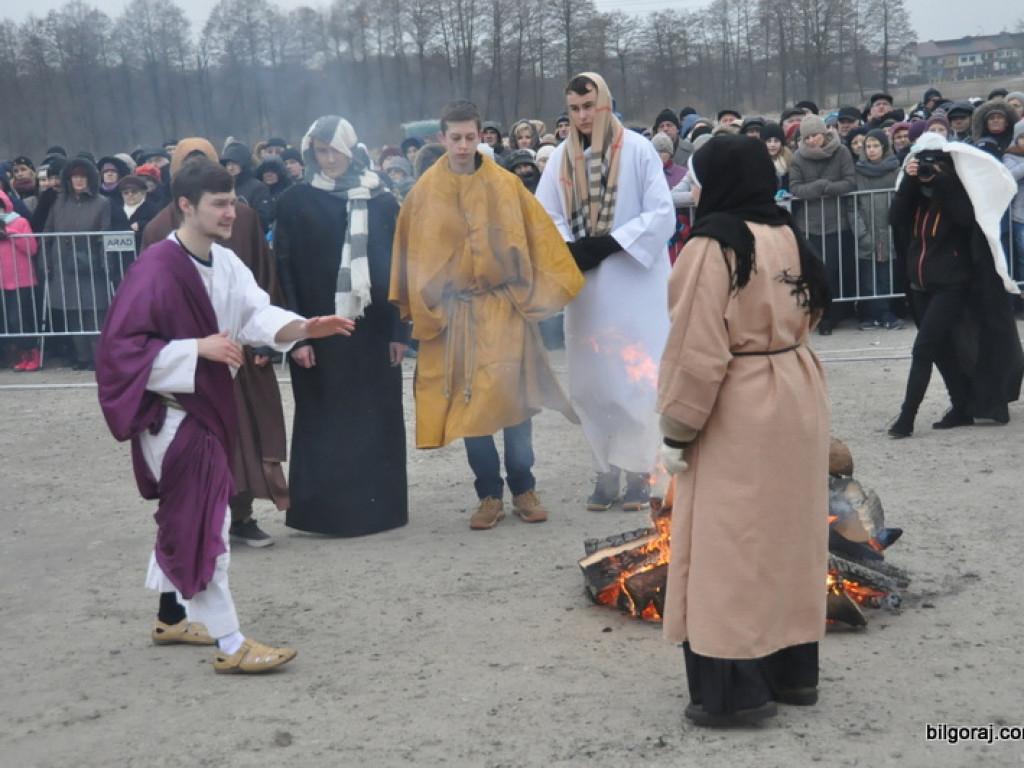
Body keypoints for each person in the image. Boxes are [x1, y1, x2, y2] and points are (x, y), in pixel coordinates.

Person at [95, 157, 356, 673]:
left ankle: (171, 616)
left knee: (185, 517)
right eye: (219, 203)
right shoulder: (155, 268)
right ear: (185, 206)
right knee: (208, 524)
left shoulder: (227, 260)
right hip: (173, 416)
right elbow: (118, 353)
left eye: (233, 200)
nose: (232, 211)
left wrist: (304, 327)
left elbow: (257, 315)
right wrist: (196, 349)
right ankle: (231, 643)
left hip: (208, 411)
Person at [656, 134, 830, 728]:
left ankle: (738, 691)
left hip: (743, 401)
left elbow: (696, 347)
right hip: (796, 388)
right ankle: (792, 672)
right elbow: (815, 306)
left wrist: (677, 430)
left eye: (701, 178)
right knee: (787, 537)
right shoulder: (784, 232)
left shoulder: (713, 244)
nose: (696, 189)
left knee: (729, 547)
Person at [390, 99, 583, 530]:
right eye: (455, 138)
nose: (462, 145)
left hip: (504, 308)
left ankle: (524, 486)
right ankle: (488, 494)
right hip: (458, 316)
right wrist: (421, 308)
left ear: (482, 136)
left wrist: (535, 295)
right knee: (471, 407)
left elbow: (540, 240)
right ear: (442, 138)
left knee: (516, 403)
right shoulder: (423, 192)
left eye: (470, 137)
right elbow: (409, 251)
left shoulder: (505, 185)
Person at [536, 72, 675, 511]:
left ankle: (638, 472)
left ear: (606, 104)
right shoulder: (560, 158)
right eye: (574, 108)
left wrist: (612, 243)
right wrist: (571, 249)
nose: (582, 116)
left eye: (589, 107)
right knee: (592, 382)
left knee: (635, 381)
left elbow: (660, 213)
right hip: (588, 289)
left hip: (634, 285)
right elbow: (546, 214)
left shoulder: (637, 150)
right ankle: (604, 470)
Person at [142, 137, 291, 549]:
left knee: (245, 435)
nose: (225, 212)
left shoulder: (241, 219)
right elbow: (146, 315)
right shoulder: (158, 232)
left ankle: (241, 515)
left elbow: (262, 278)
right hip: (190, 364)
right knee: (196, 439)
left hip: (239, 351)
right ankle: (200, 521)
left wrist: (268, 340)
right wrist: (187, 351)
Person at [274, 115, 410, 537]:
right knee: (324, 420)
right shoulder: (293, 202)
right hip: (316, 332)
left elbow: (398, 272)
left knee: (374, 420)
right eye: (320, 151)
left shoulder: (381, 201)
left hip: (370, 335)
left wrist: (399, 333)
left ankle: (378, 511)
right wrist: (295, 336)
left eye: (334, 150)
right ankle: (325, 514)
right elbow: (284, 272)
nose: (328, 159)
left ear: (351, 149)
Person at [887, 133, 1024, 437]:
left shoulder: (957, 191)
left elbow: (966, 221)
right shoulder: (914, 194)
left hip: (952, 283)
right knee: (940, 350)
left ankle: (906, 418)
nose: (927, 168)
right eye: (922, 162)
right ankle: (960, 405)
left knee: (923, 348)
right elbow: (895, 218)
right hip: (920, 282)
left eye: (935, 162)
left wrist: (944, 183)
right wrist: (910, 184)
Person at [43, 157, 113, 370]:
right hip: (64, 265)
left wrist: (106, 266)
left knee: (95, 312)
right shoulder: (59, 203)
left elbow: (106, 236)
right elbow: (47, 234)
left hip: (92, 266)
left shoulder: (102, 203)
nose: (79, 180)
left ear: (90, 179)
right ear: (69, 180)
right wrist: (46, 264)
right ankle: (82, 356)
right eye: (75, 177)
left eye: (83, 176)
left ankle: (98, 355)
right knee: (72, 311)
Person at [789, 113, 856, 335]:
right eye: (806, 138)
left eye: (814, 136)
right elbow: (796, 188)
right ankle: (818, 314)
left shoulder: (842, 151)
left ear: (824, 134)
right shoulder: (798, 157)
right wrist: (817, 188)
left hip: (837, 223)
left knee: (835, 271)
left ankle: (835, 313)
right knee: (814, 273)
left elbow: (850, 182)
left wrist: (827, 187)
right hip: (810, 225)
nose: (810, 141)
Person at [852, 130, 902, 330]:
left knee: (886, 276)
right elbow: (852, 207)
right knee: (868, 278)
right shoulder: (858, 172)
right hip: (867, 230)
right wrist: (861, 232)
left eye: (875, 146)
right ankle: (871, 314)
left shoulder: (896, 170)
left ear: (884, 147)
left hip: (889, 230)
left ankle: (886, 313)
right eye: (868, 147)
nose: (872, 150)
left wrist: (896, 226)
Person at [0, 189, 41, 371]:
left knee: (21, 320)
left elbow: (31, 248)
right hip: (2, 282)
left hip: (21, 280)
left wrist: (9, 232)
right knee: (9, 322)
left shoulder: (20, 222)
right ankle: (22, 355)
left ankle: (33, 353)